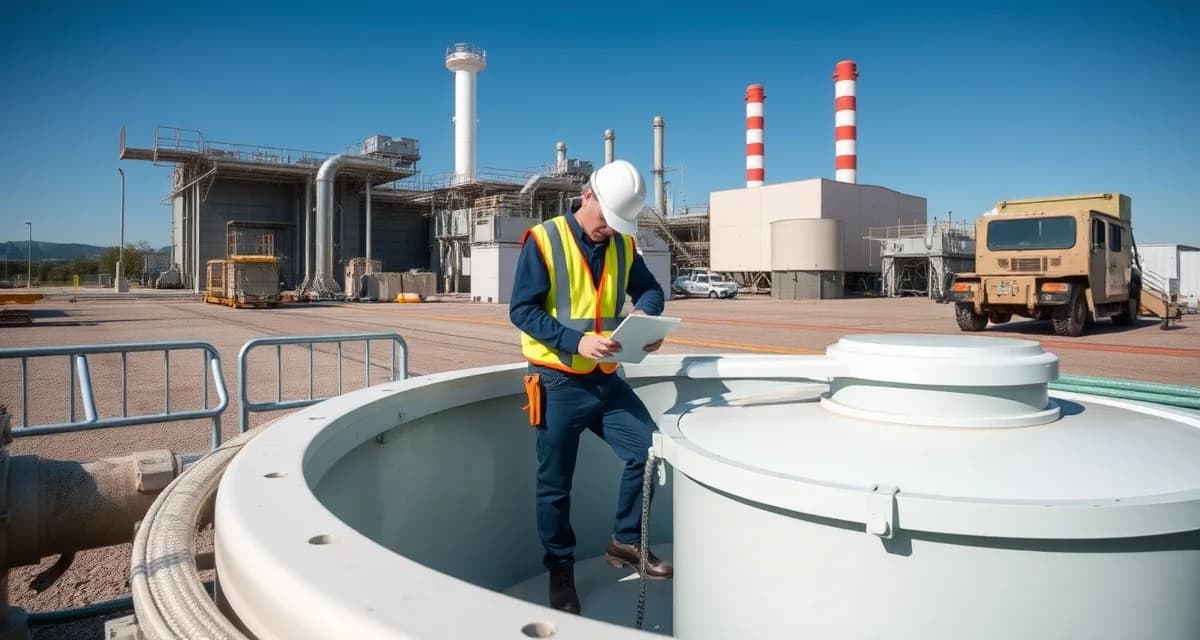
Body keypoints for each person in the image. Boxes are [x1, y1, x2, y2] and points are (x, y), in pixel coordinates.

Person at [509, 159, 673, 615]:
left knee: (648, 450)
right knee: (555, 485)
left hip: (606, 379)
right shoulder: (543, 240)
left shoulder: (622, 242)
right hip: (557, 381)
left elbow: (651, 289)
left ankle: (625, 542)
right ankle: (560, 570)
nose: (609, 230)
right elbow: (522, 311)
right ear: (588, 197)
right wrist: (576, 340)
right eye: (606, 220)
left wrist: (646, 317)